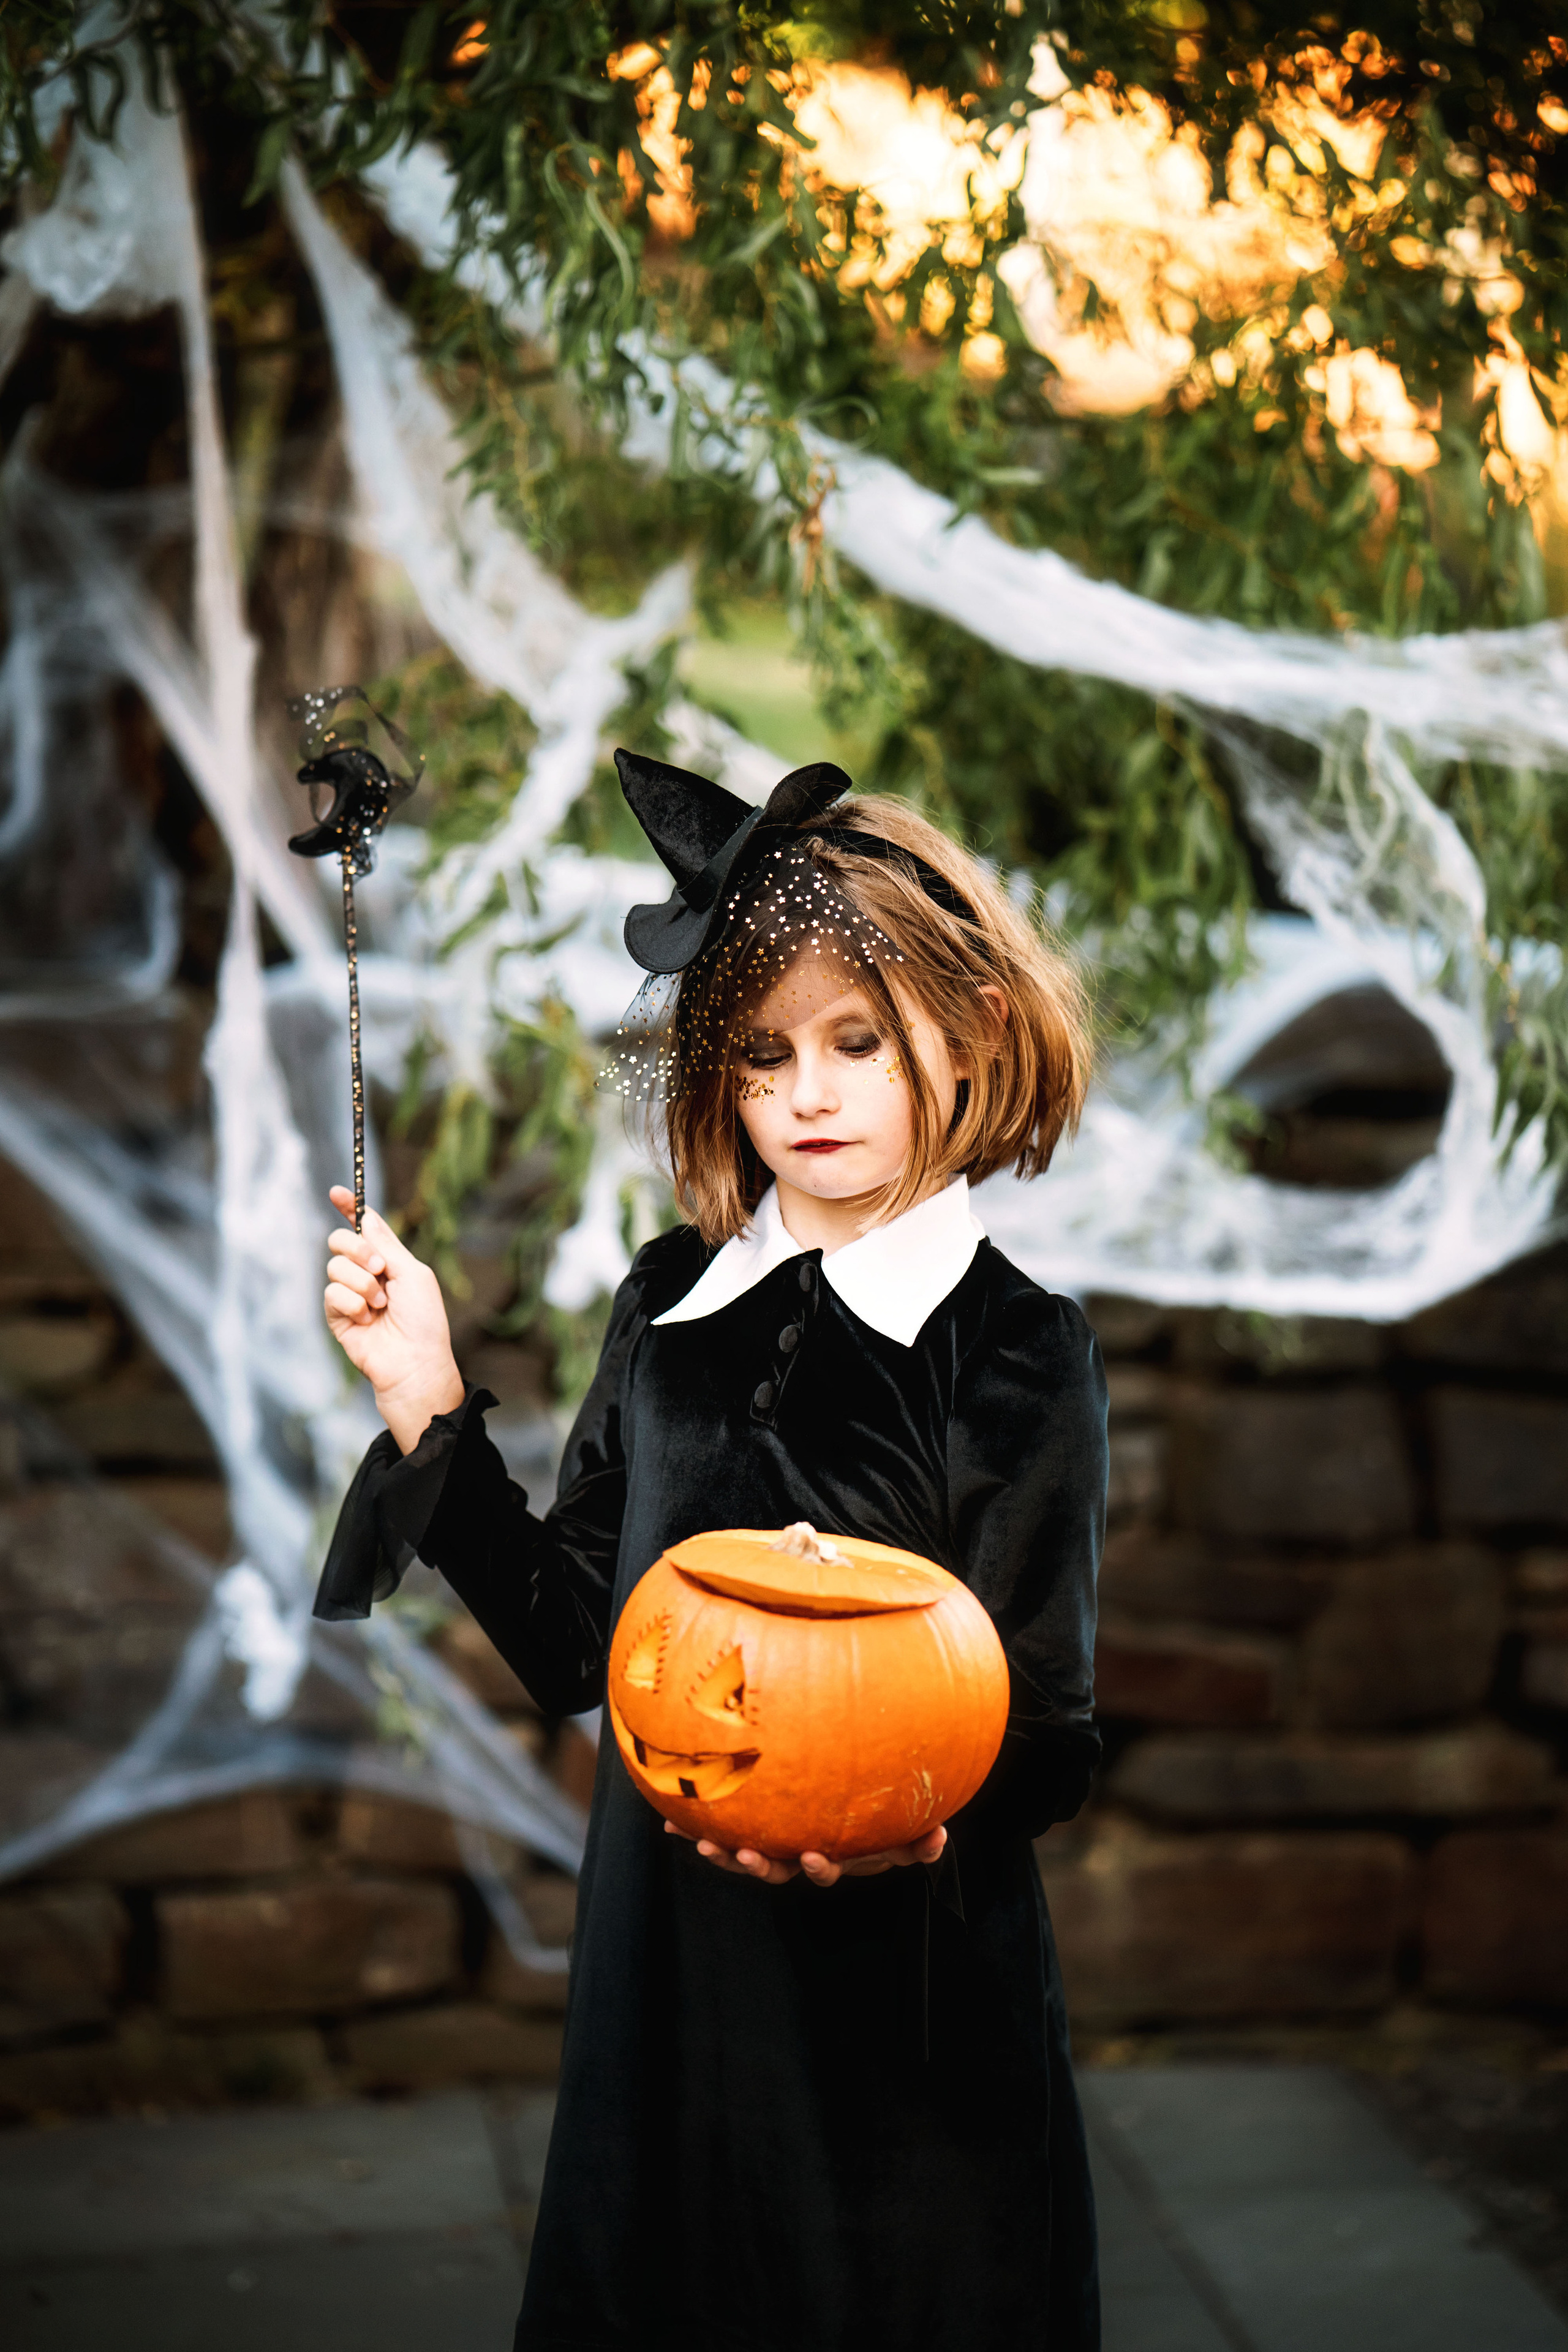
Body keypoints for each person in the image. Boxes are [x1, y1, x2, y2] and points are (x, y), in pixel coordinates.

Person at [314, 752, 1108, 2352]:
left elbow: (1048, 1736)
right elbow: (572, 1646)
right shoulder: (673, 1309)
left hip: (901, 1989)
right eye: (761, 1056)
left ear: (955, 1034)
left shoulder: (1011, 1351)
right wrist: (429, 1397)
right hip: (669, 1966)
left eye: (853, 1044)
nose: (806, 1094)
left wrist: (901, 1824)